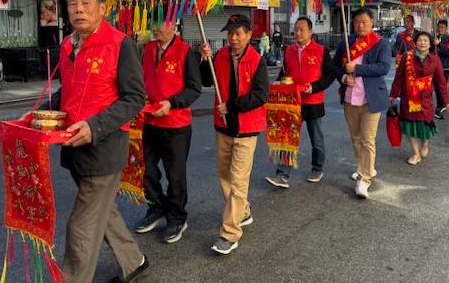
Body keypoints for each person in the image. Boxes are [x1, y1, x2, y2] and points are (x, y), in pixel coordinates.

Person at [25, 0, 149, 283]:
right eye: (72, 4)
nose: (78, 10)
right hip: (73, 147)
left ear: (102, 8)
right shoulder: (68, 45)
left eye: (85, 3)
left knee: (81, 225)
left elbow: (135, 98)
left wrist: (95, 127)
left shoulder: (121, 44)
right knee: (102, 212)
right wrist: (42, 114)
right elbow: (66, 92)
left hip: (104, 150)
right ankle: (134, 262)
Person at [199, 14, 269, 255]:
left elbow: (261, 95)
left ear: (249, 35)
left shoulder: (257, 60)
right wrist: (204, 59)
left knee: (238, 181)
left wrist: (231, 106)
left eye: (238, 33)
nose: (233, 38)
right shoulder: (220, 56)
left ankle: (229, 233)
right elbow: (206, 80)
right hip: (223, 127)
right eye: (230, 33)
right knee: (224, 175)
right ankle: (244, 211)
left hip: (246, 129)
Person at [134, 18, 202, 244]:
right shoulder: (149, 48)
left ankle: (177, 217)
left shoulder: (185, 51)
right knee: (145, 169)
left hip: (176, 124)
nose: (155, 29)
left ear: (172, 25)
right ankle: (156, 206)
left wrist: (172, 103)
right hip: (149, 120)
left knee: (175, 175)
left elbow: (194, 88)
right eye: (153, 24)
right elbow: (143, 78)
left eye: (160, 24)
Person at [265, 17, 335, 188]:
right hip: (291, 102)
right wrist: (277, 83)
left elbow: (330, 75)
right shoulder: (288, 51)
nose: (297, 33)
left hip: (313, 101)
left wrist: (314, 87)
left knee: (316, 138)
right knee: (286, 137)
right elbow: (284, 73)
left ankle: (317, 168)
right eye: (295, 29)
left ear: (311, 31)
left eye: (301, 29)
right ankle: (282, 175)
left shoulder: (320, 50)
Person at [333, 8, 391, 199]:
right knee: (356, 138)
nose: (360, 25)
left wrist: (357, 68)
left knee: (368, 140)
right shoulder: (346, 41)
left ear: (372, 22)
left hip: (370, 99)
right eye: (357, 21)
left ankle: (364, 179)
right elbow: (334, 66)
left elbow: (383, 67)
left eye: (364, 21)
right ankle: (364, 168)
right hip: (350, 98)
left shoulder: (381, 43)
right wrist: (343, 77)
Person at [390, 32, 449, 164]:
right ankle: (416, 153)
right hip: (408, 97)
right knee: (409, 125)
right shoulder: (407, 57)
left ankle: (424, 143)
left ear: (430, 44)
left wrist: (447, 102)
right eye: (419, 40)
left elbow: (441, 83)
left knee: (425, 124)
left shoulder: (435, 60)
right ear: (415, 42)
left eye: (425, 40)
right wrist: (393, 94)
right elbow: (399, 77)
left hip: (425, 98)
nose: (422, 43)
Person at [432, 20, 449, 118]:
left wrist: (439, 44)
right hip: (434, 67)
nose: (440, 29)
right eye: (438, 27)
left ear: (446, 29)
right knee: (436, 88)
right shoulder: (434, 38)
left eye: (442, 27)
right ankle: (440, 105)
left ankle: (442, 105)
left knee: (442, 87)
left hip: (444, 67)